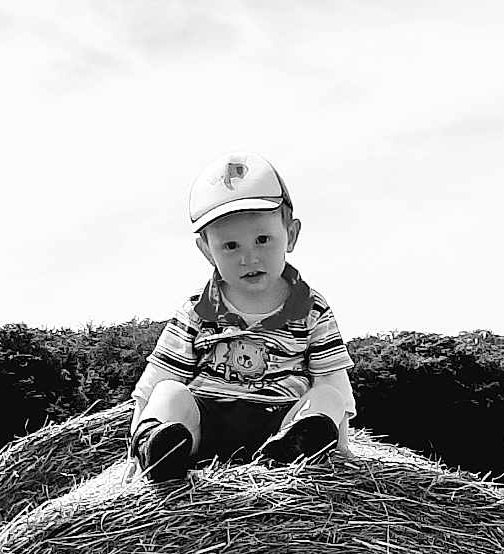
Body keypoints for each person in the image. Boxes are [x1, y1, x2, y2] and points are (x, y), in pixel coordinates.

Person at [128, 151, 357, 482]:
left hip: (281, 423)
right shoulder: (195, 310)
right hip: (205, 424)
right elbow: (153, 382)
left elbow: (332, 381)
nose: (249, 257)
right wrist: (131, 453)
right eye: (230, 246)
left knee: (328, 397)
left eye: (263, 240)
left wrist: (343, 446)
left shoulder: (312, 309)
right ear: (207, 251)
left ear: (290, 235)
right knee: (167, 392)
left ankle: (301, 445)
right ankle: (158, 450)